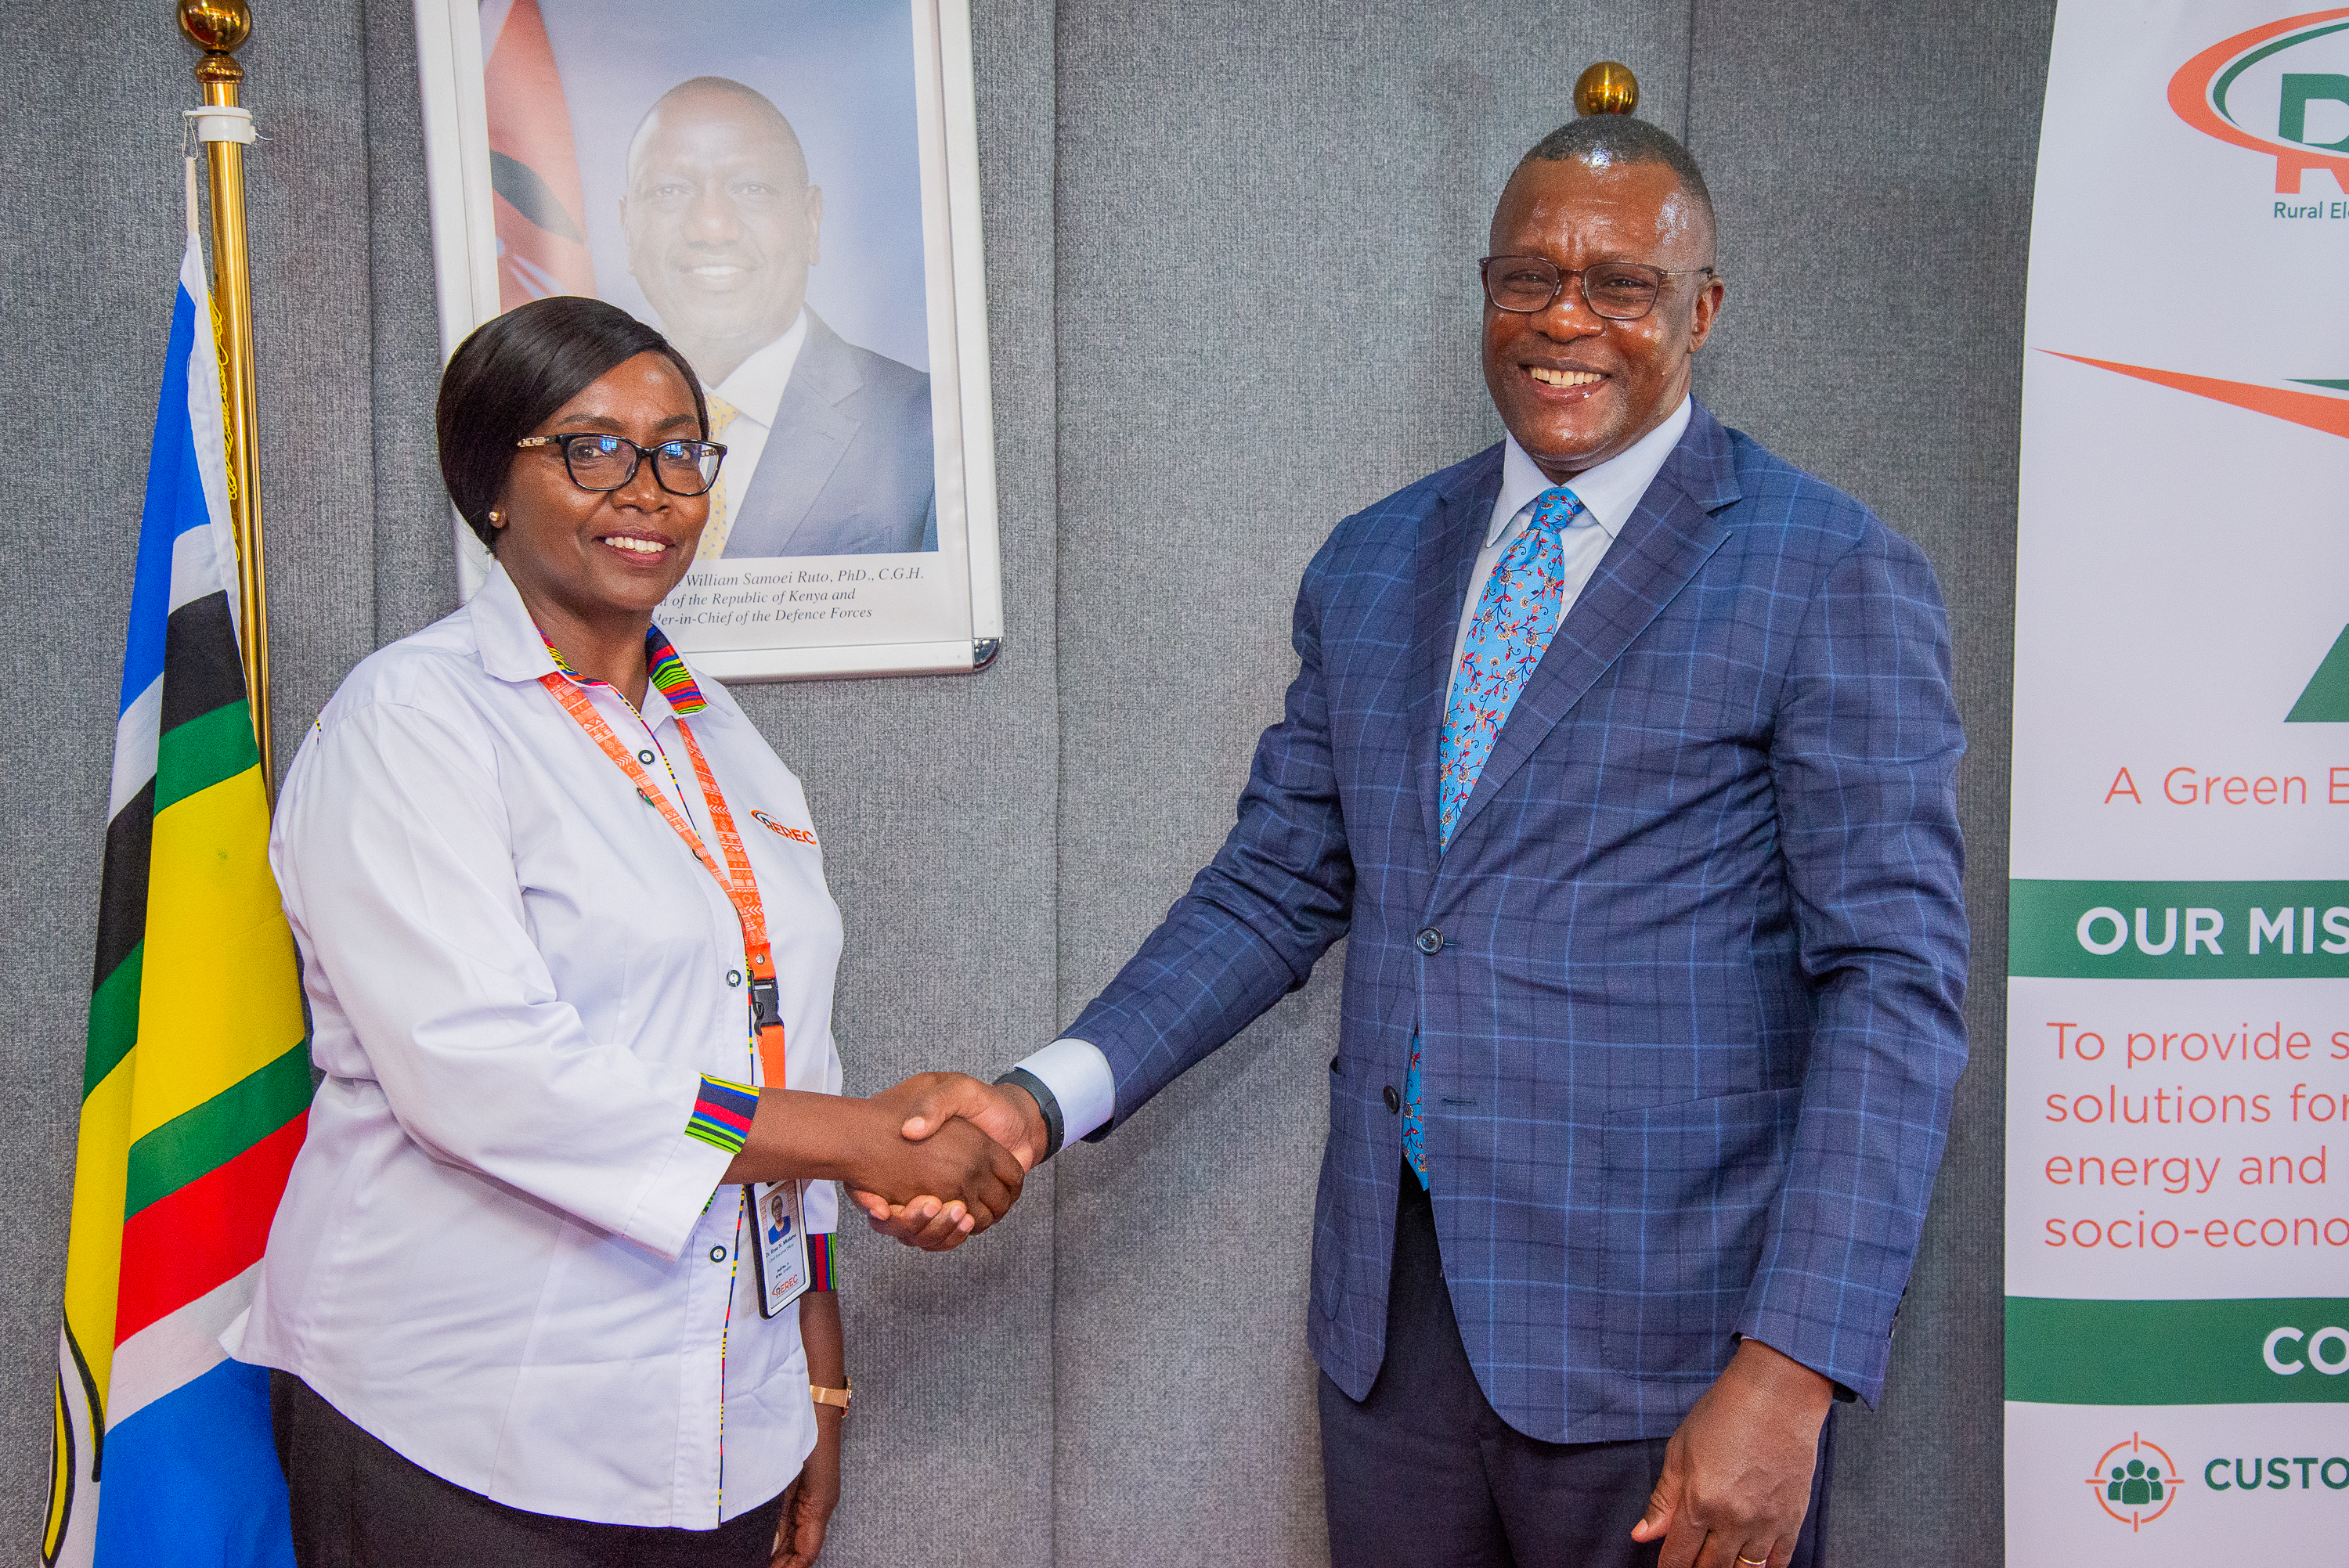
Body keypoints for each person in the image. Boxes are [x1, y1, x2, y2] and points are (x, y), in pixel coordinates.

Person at [867, 115, 1969, 1568]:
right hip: (1395, 1337)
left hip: (1677, 1351)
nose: (1565, 318)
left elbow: (1895, 982)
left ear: (1702, 310)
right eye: (1526, 278)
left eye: (1621, 283)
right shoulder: (1376, 560)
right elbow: (1272, 886)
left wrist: (1793, 1367)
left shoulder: (1825, 569)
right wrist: (1038, 1098)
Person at [229, 295, 1022, 1566]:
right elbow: (490, 1070)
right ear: (491, 483)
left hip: (718, 1424)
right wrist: (867, 1136)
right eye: (591, 449)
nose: (647, 489)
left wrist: (815, 1374)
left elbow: (781, 1047)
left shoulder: (727, 743)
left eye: (679, 452)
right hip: (462, 1423)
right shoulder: (415, 720)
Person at [620, 76, 936, 560]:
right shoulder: (575, 429)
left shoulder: (927, 426)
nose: (712, 226)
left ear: (811, 222)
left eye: (751, 188)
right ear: (627, 226)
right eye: (669, 190)